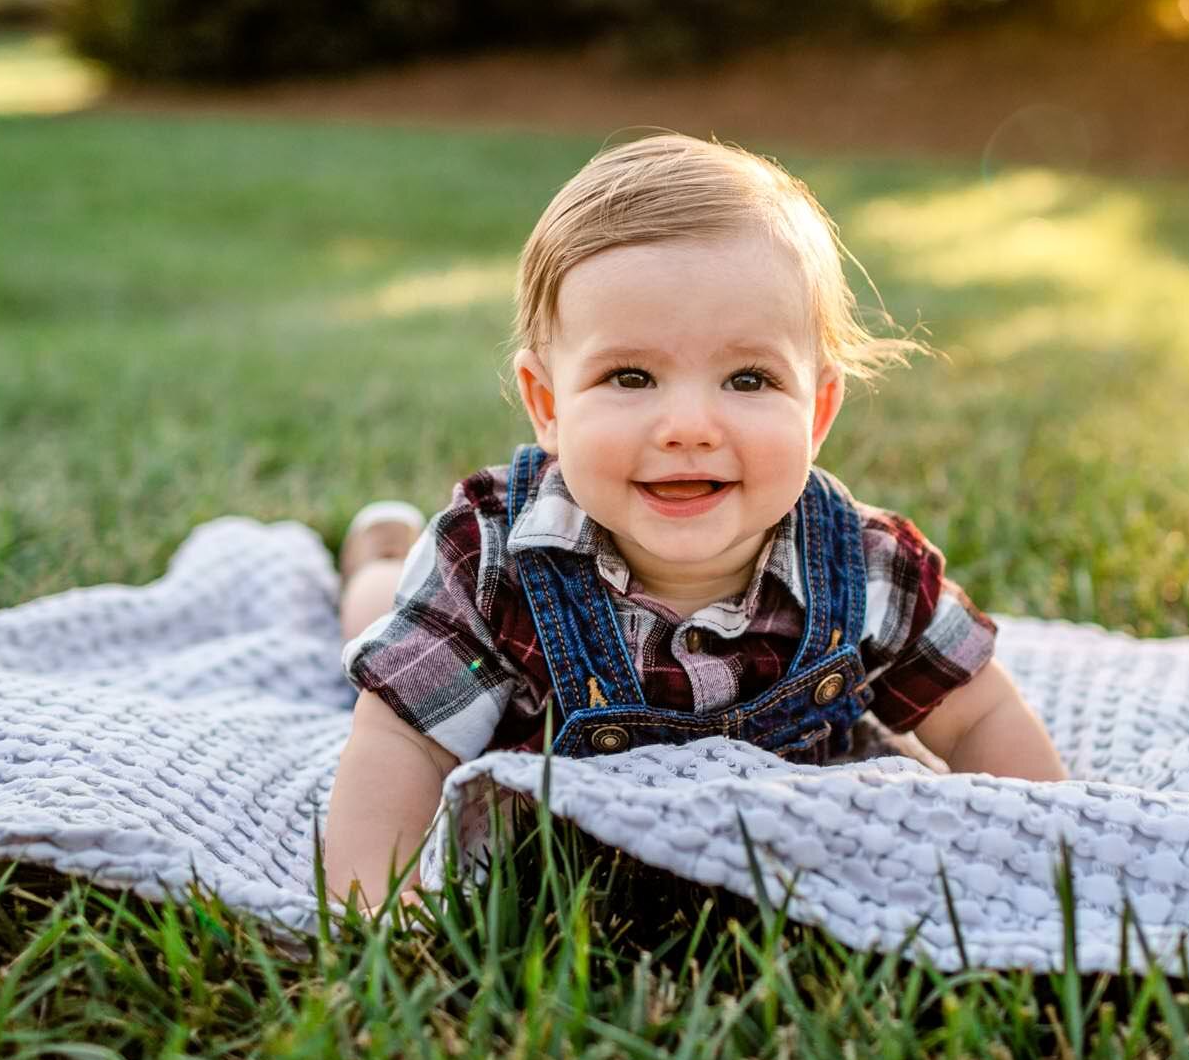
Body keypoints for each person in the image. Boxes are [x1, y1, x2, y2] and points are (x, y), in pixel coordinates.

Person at [324, 133, 1067, 912]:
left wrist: (1057, 854)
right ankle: (377, 557)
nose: (687, 425)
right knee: (379, 628)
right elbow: (402, 742)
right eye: (630, 376)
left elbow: (978, 711)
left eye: (748, 378)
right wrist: (375, 912)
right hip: (470, 680)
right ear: (548, 404)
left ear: (816, 411)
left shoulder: (867, 570)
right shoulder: (489, 562)